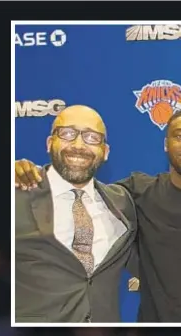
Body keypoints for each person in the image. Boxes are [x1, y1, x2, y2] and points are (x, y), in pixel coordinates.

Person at [15, 108, 181, 322]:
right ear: (165, 144)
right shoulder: (137, 192)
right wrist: (22, 170)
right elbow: (79, 185)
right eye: (180, 135)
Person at [13, 105, 138, 324]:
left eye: (92, 138)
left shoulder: (122, 203)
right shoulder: (17, 194)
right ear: (49, 143)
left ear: (105, 152)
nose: (79, 145)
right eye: (68, 134)